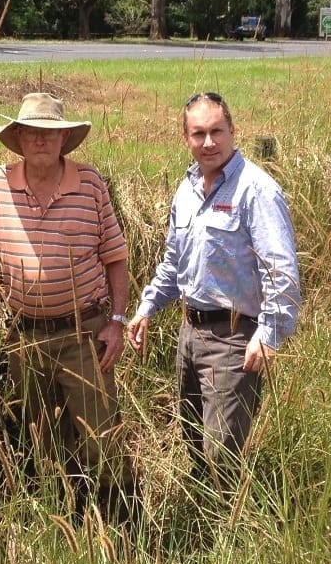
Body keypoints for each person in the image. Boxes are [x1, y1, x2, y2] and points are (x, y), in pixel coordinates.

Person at [0, 92, 133, 516]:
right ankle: (62, 523)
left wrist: (117, 321)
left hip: (84, 334)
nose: (40, 140)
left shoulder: (89, 184)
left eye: (50, 132)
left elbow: (116, 257)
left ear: (64, 138)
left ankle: (122, 527)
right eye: (32, 132)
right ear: (17, 137)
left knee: (102, 439)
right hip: (26, 337)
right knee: (43, 440)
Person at [127, 92, 301, 486]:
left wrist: (270, 334)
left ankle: (232, 534)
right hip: (190, 333)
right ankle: (204, 524)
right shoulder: (186, 190)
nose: (209, 143)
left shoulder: (256, 190)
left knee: (222, 450)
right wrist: (146, 309)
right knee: (192, 437)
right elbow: (174, 263)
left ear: (233, 131)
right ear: (185, 138)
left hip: (234, 337)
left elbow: (281, 270)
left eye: (216, 132)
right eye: (198, 133)